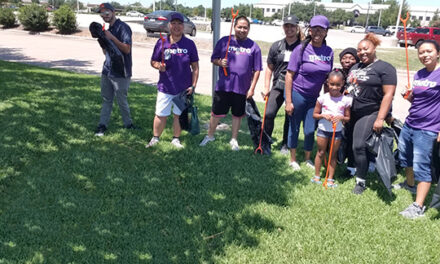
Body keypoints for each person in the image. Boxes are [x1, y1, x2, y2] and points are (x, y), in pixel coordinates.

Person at [200, 16, 262, 151]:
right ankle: (210, 135)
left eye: (245, 27)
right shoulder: (224, 41)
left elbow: (257, 70)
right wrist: (219, 62)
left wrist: (252, 89)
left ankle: (234, 139)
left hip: (242, 88)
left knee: (237, 114)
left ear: (249, 29)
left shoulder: (254, 46)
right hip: (224, 86)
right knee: (216, 113)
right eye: (239, 27)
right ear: (234, 27)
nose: (242, 30)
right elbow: (213, 59)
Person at [346, 33, 397, 195]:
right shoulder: (356, 67)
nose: (362, 52)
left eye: (366, 49)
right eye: (359, 50)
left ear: (374, 48)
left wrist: (381, 118)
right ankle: (351, 168)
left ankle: (361, 181)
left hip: (370, 112)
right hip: (352, 112)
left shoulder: (385, 68)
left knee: (359, 146)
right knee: (349, 144)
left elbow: (388, 94)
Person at [284, 15, 333, 171]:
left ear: (326, 32)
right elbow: (289, 75)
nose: (318, 32)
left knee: (310, 129)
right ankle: (292, 159)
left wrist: (328, 101)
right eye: (315, 29)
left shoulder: (329, 52)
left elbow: (327, 79)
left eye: (322, 29)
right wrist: (289, 101)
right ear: (309, 30)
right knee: (295, 127)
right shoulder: (301, 49)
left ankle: (307, 159)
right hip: (297, 94)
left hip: (314, 98)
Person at [398, 40, 440, 219]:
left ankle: (418, 206)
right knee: (404, 156)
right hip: (410, 123)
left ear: (438, 53)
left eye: (429, 51)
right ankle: (410, 184)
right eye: (421, 52)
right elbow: (417, 101)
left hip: (428, 128)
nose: (425, 55)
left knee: (421, 166)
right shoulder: (419, 74)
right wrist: (409, 96)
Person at [146, 12, 199, 148]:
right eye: (173, 23)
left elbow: (195, 67)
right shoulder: (162, 42)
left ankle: (176, 139)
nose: (176, 26)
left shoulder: (189, 44)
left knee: (178, 115)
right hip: (165, 87)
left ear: (183, 26)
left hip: (183, 88)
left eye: (179, 23)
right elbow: (153, 61)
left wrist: (193, 86)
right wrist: (159, 66)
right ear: (169, 25)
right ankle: (155, 138)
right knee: (160, 114)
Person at [262, 14, 303, 154]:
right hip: (278, 85)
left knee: (289, 116)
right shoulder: (277, 46)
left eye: (292, 26)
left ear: (297, 27)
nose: (289, 28)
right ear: (283, 27)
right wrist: (266, 87)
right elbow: (269, 67)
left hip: (295, 87)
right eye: (287, 26)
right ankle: (266, 141)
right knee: (269, 113)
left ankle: (286, 144)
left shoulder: (303, 47)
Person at [94, 3, 136, 136]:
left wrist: (111, 38)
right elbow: (106, 52)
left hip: (121, 70)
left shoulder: (123, 28)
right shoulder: (107, 29)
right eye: (101, 14)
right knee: (107, 99)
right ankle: (102, 125)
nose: (104, 16)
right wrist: (102, 41)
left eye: (106, 13)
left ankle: (128, 124)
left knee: (121, 100)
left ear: (113, 12)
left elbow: (126, 49)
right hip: (107, 69)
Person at [312, 69, 352, 187]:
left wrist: (341, 117)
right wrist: (323, 115)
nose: (335, 87)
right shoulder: (322, 98)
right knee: (320, 152)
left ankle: (330, 178)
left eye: (338, 85)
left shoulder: (346, 100)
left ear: (343, 84)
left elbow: (348, 118)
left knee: (333, 155)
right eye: (332, 84)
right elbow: (315, 114)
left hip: (337, 131)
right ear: (328, 83)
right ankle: (317, 176)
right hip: (323, 130)